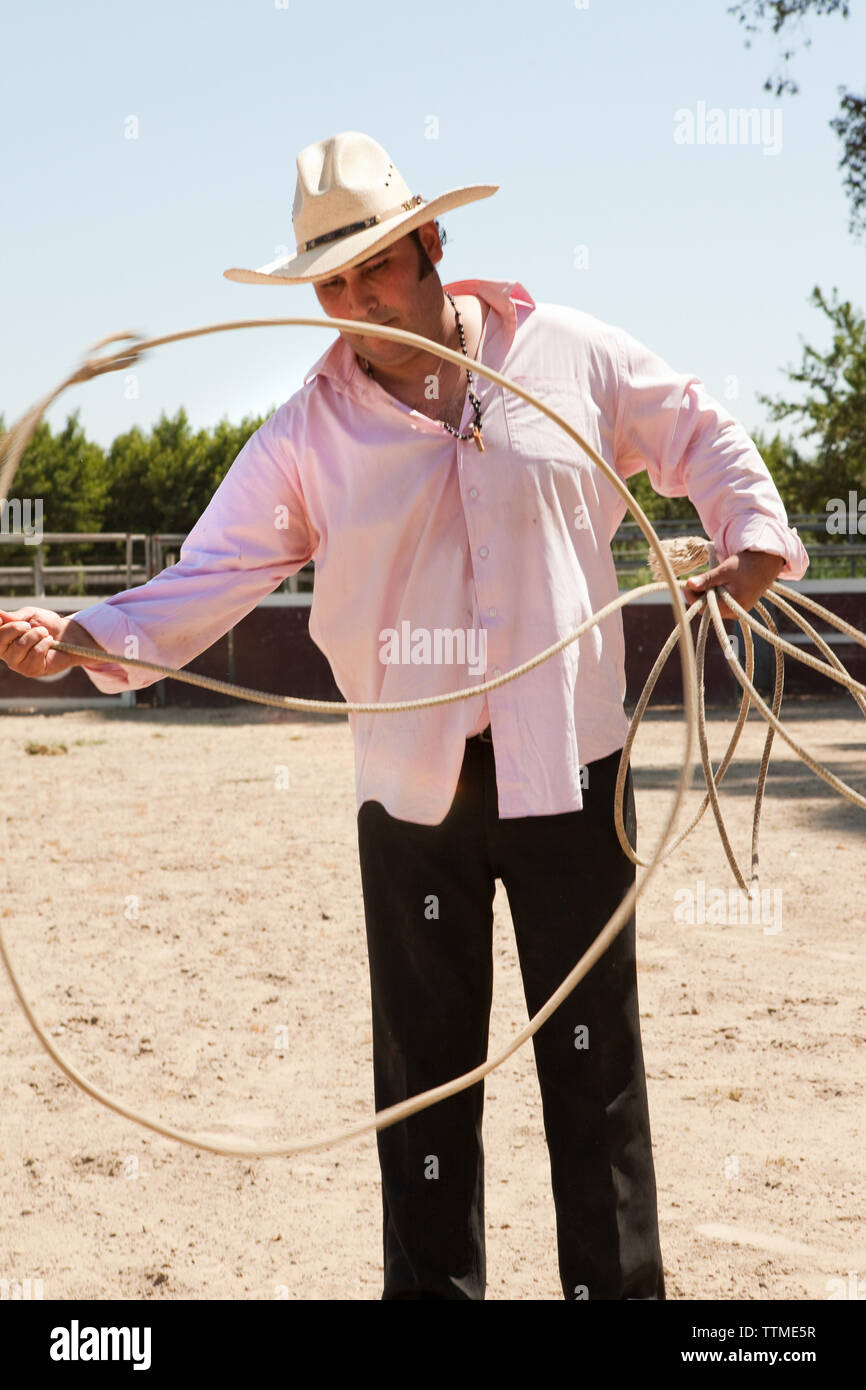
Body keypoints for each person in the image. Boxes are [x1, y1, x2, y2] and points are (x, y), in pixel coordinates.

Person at [0, 130, 809, 1300]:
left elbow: (693, 425)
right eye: (330, 281)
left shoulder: (564, 355)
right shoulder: (304, 437)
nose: (353, 297)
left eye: (373, 263)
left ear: (431, 244)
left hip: (572, 775)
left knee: (596, 1073)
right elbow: (205, 576)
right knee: (424, 1079)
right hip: (412, 792)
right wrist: (84, 637)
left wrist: (750, 537)